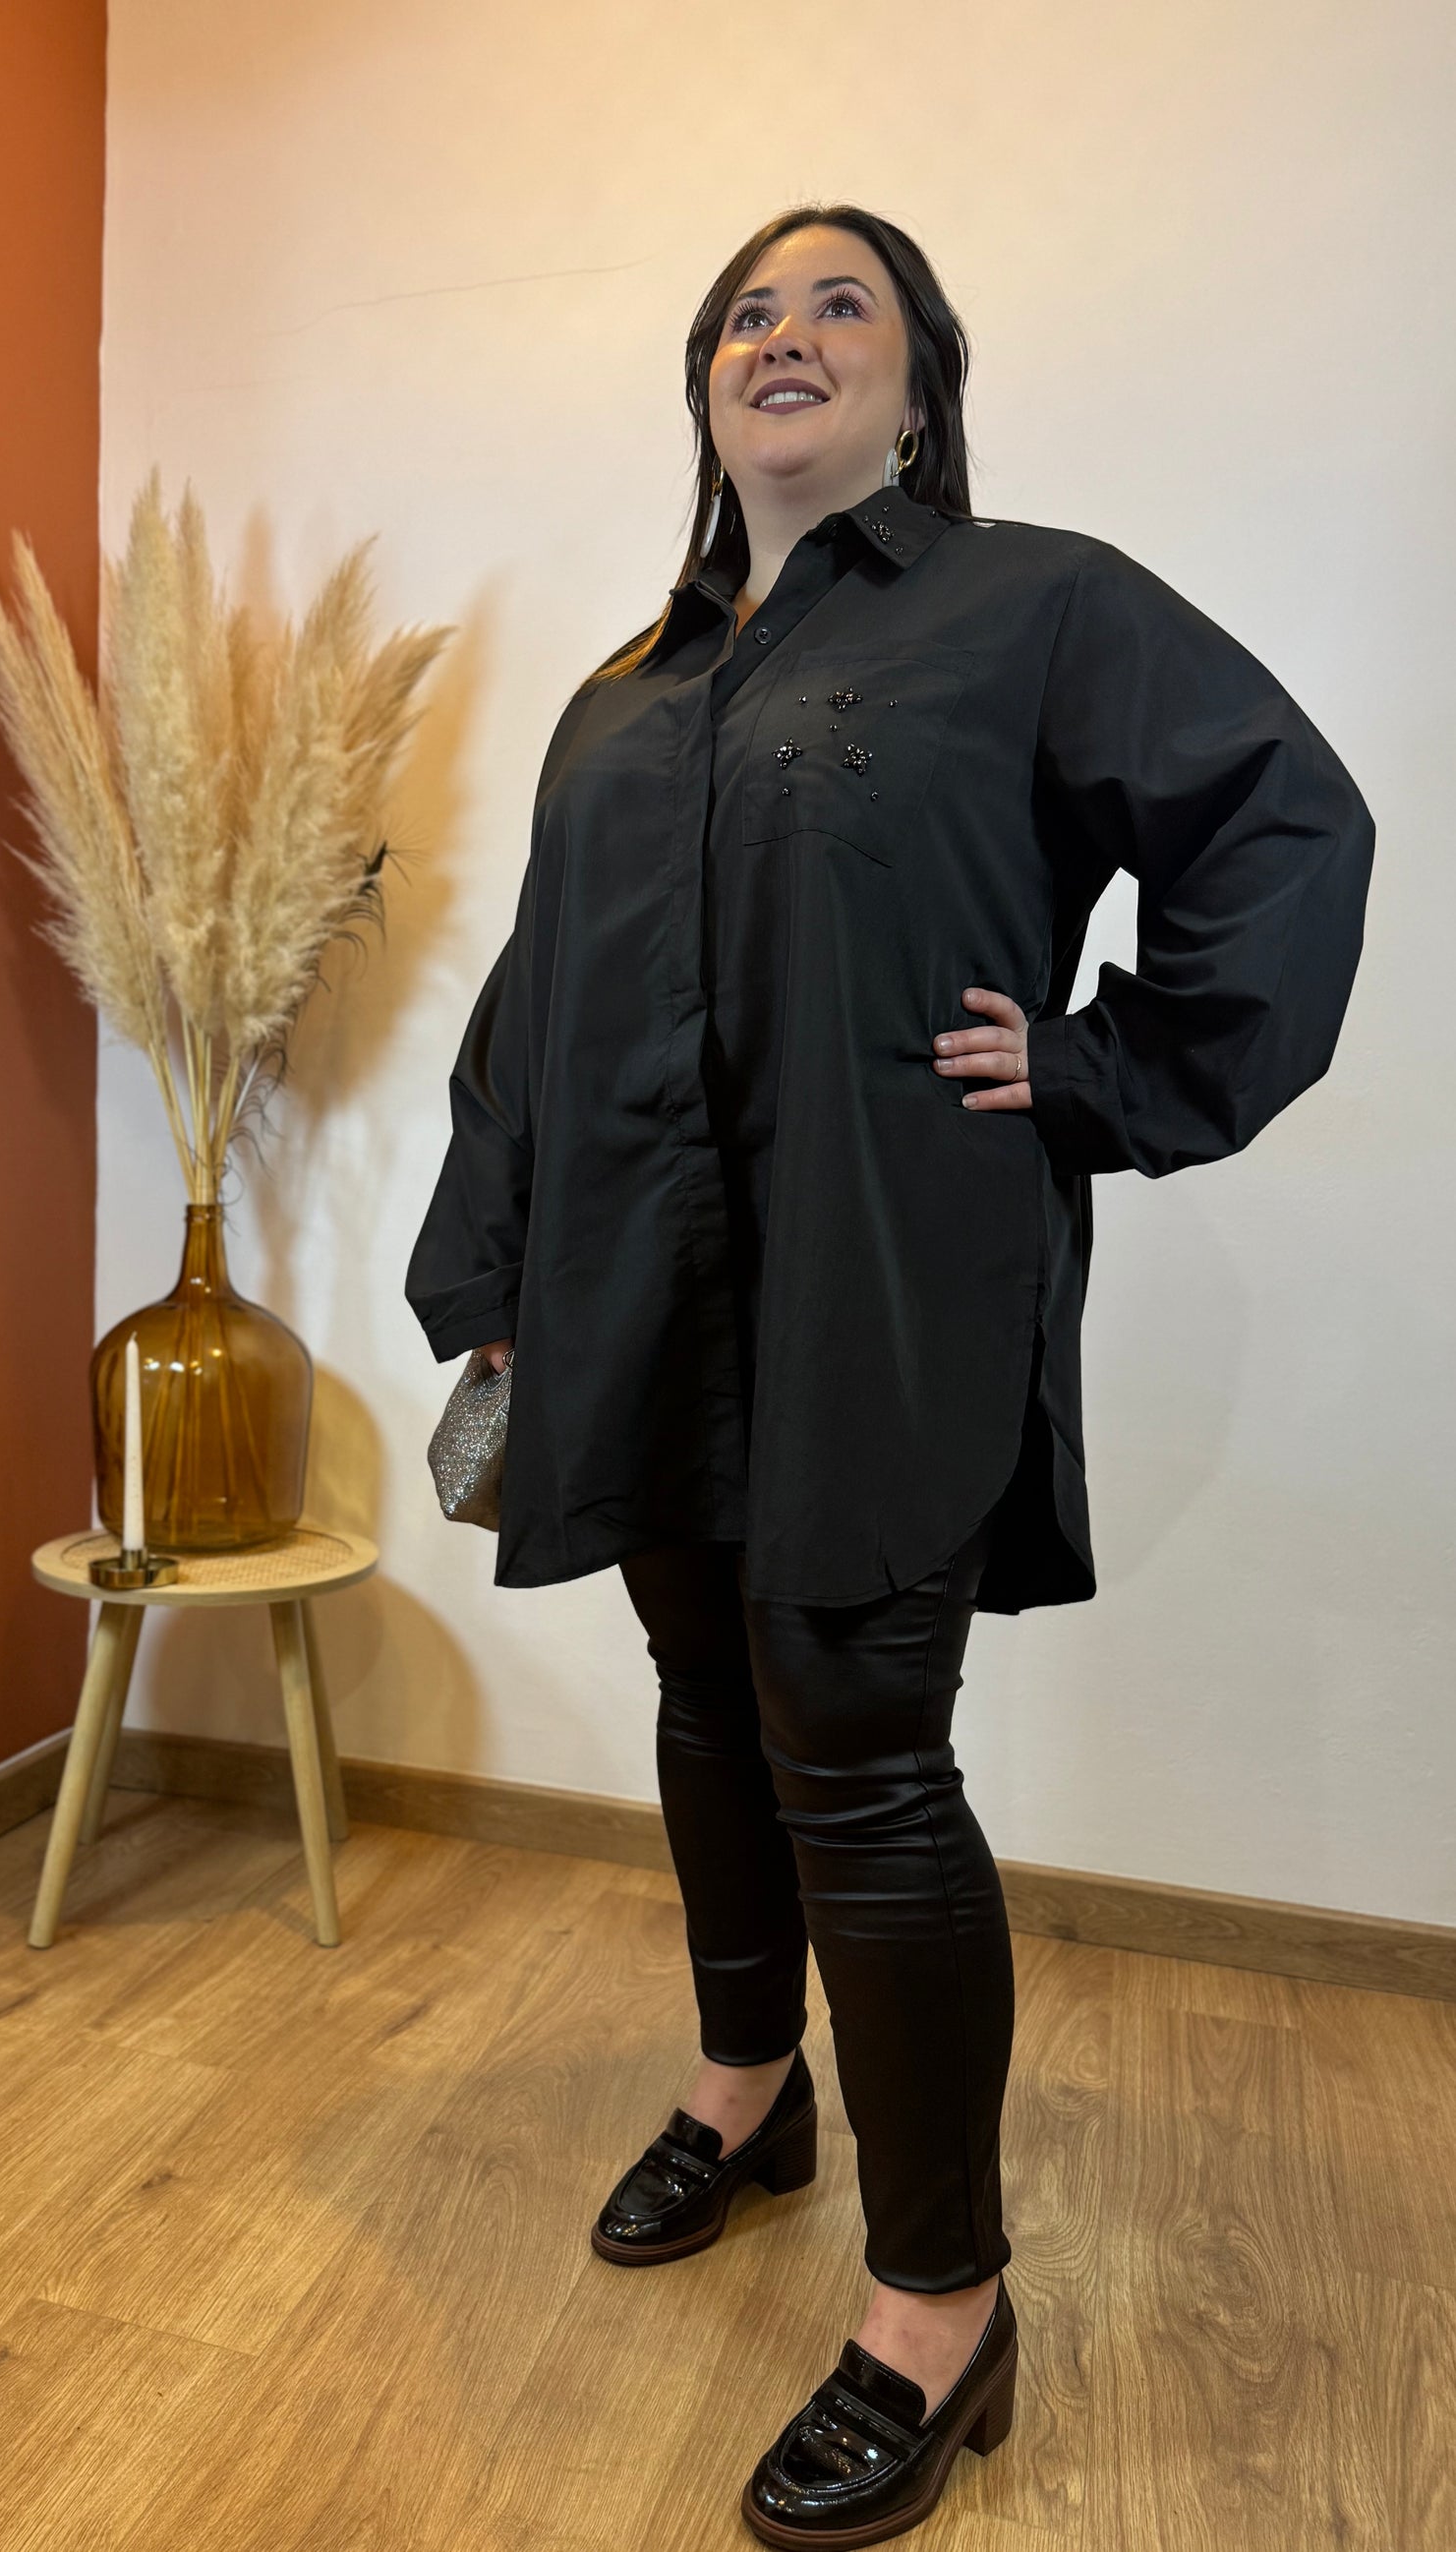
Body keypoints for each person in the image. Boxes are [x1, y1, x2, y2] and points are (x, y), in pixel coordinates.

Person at [405, 202, 1373, 2546]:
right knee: (703, 1692)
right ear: (702, 385)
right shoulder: (622, 690)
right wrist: (499, 1269)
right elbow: (536, 995)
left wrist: (1099, 1066)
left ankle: (941, 2295)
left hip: (881, 1275)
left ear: (919, 386)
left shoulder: (1030, 608)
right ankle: (751, 2085)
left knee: (855, 1745)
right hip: (637, 1278)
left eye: (840, 303)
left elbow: (1285, 821)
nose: (786, 333)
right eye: (746, 311)